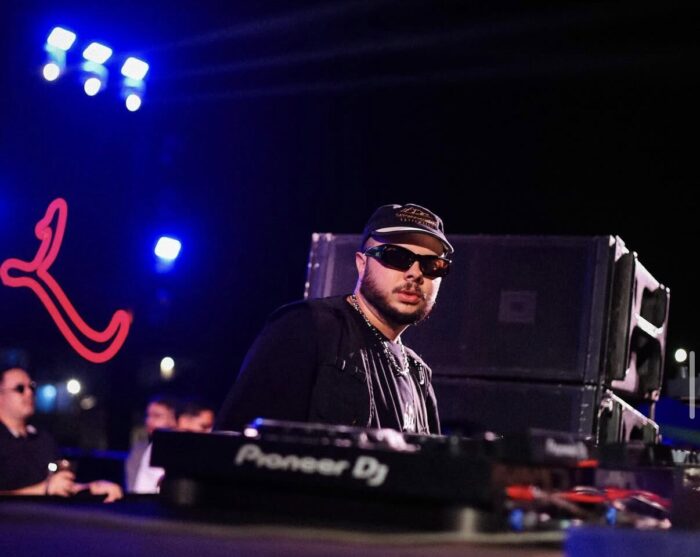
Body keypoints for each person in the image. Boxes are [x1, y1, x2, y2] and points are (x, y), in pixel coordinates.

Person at [216, 203, 453, 435]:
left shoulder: (418, 373)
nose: (415, 273)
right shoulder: (306, 327)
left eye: (432, 265)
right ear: (362, 264)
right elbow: (238, 444)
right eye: (396, 256)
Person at [0, 365, 122, 502]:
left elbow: (57, 486)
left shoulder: (42, 439)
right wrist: (43, 490)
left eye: (32, 387)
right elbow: (47, 488)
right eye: (20, 388)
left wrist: (90, 488)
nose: (29, 393)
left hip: (46, 515)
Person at [124, 395, 177, 493]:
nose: (149, 421)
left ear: (174, 419)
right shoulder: (140, 449)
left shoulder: (180, 450)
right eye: (148, 415)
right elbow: (132, 487)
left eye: (157, 416)